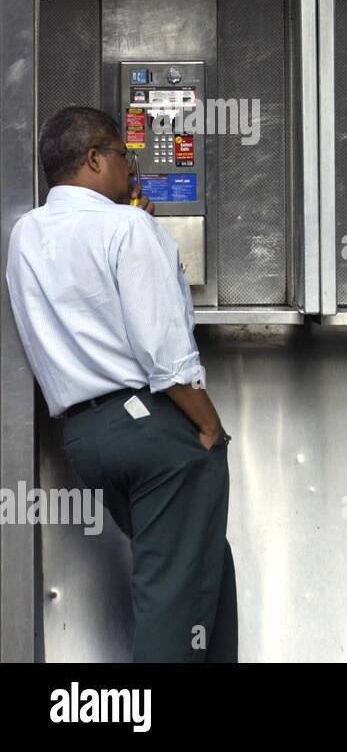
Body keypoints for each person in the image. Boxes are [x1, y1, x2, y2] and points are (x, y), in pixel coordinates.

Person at [5, 106, 237, 662]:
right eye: (122, 155)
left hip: (88, 438)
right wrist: (208, 423)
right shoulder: (129, 227)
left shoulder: (25, 235)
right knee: (173, 598)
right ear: (93, 158)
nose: (131, 170)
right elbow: (164, 353)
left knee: (203, 564)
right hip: (152, 424)